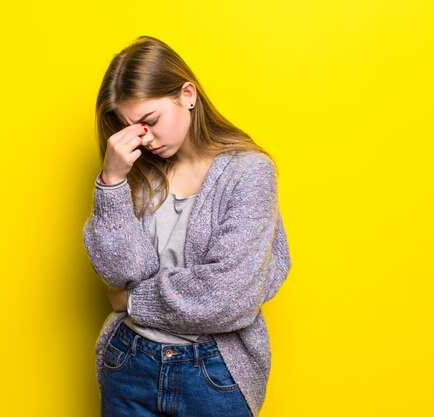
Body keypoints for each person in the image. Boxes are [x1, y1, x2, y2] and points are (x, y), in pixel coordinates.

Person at [82, 35, 291, 417]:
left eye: (150, 120)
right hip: (129, 363)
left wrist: (133, 301)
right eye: (130, 128)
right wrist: (111, 181)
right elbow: (121, 271)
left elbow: (228, 296)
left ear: (187, 94)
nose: (143, 138)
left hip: (211, 373)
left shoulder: (249, 173)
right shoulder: (139, 175)